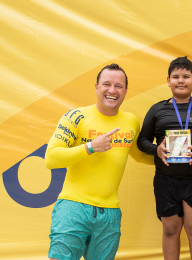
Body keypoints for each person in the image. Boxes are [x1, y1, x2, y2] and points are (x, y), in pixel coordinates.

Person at [45, 63, 152, 260]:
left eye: (118, 86)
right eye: (106, 84)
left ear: (126, 91)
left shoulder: (131, 122)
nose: (112, 90)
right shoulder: (75, 117)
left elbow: (140, 155)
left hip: (110, 213)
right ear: (96, 87)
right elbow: (51, 158)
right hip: (73, 208)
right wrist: (90, 147)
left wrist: (167, 155)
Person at [137, 56, 192, 260]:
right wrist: (156, 150)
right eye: (176, 76)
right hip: (165, 181)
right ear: (168, 80)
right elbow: (142, 140)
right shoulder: (157, 109)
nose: (181, 81)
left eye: (186, 76)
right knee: (170, 230)